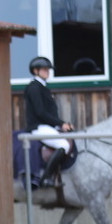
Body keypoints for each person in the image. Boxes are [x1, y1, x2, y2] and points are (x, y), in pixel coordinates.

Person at [23, 56, 73, 186]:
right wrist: (60, 123)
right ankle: (46, 178)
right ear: (36, 71)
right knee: (64, 145)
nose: (48, 72)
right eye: (44, 69)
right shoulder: (34, 88)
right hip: (38, 127)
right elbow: (40, 112)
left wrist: (61, 125)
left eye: (48, 69)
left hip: (47, 126)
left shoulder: (43, 87)